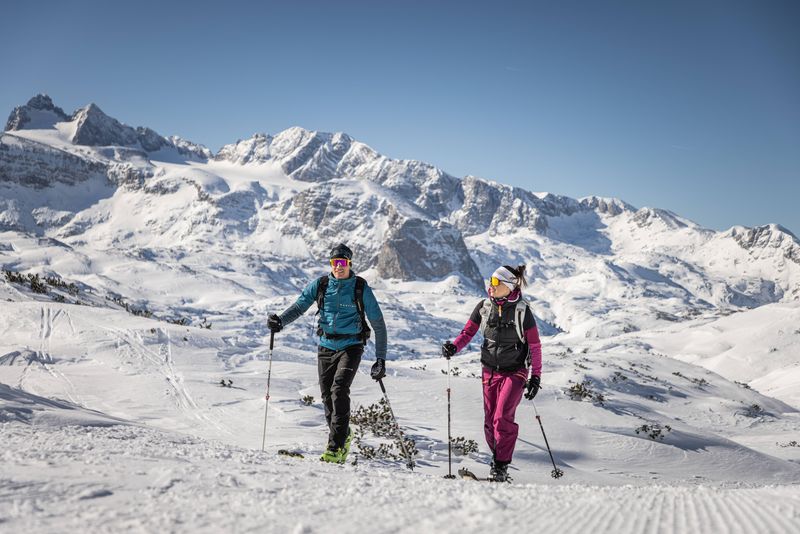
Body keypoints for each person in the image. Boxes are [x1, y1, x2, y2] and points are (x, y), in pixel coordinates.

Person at [268, 243, 387, 464]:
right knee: (326, 398)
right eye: (334, 263)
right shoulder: (321, 284)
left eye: (342, 263)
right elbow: (299, 306)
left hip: (351, 346)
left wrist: (381, 359)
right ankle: (343, 435)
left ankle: (335, 448)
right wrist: (280, 321)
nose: (338, 267)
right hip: (326, 346)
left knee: (339, 389)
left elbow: (378, 324)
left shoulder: (360, 288)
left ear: (349, 264)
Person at [441, 265, 542, 482]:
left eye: (496, 283)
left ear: (508, 286)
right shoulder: (484, 307)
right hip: (489, 370)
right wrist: (454, 347)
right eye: (490, 281)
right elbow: (468, 332)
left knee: (501, 417)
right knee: (489, 421)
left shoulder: (523, 312)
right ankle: (497, 460)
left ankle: (501, 465)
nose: (491, 287)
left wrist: (536, 377)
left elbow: (535, 346)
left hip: (515, 372)